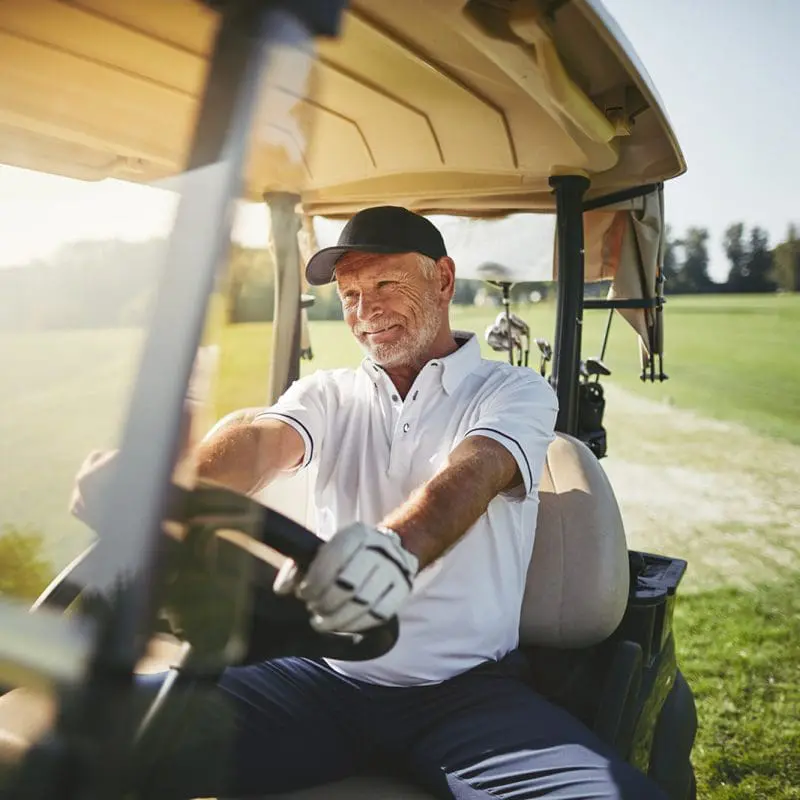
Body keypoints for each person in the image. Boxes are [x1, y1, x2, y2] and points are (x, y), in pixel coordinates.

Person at [70, 206, 666, 799]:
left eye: (385, 284)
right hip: (320, 678)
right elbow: (264, 442)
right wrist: (165, 488)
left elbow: (476, 470)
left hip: (466, 694)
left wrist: (392, 551)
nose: (364, 311)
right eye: (350, 294)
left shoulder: (513, 391)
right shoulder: (327, 393)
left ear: (444, 279)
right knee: (82, 729)